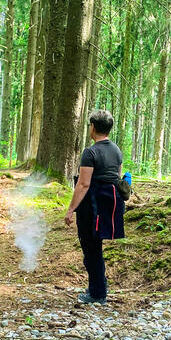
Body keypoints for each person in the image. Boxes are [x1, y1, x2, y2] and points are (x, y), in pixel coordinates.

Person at [63, 110, 125, 305]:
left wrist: (71, 209)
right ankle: (98, 286)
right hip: (110, 205)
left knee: (91, 248)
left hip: (92, 206)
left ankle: (97, 293)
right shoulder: (116, 150)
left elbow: (83, 184)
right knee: (95, 247)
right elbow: (117, 177)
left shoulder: (90, 152)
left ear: (93, 127)